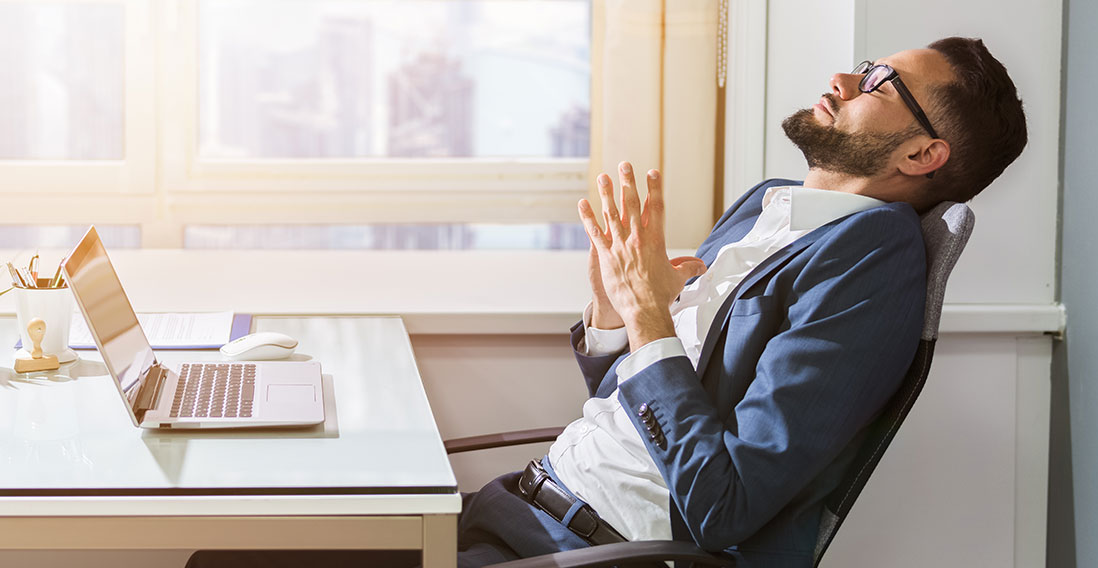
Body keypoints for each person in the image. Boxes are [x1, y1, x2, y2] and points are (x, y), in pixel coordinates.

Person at [186, 36, 1027, 568]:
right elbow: (643, 406)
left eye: (882, 78)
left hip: (604, 551)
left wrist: (653, 321)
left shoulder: (868, 263)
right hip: (525, 508)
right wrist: (612, 319)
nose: (849, 73)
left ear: (923, 152)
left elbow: (725, 502)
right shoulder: (775, 206)